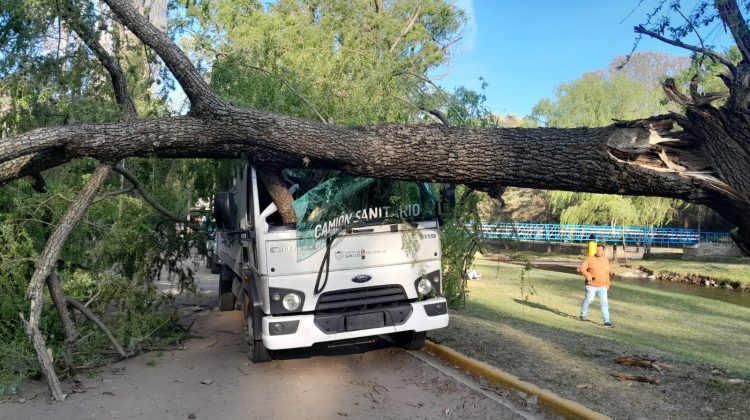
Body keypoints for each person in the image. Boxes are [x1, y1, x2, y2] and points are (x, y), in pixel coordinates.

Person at [578, 244, 614, 328]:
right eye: (597, 250)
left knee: (604, 303)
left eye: (600, 250)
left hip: (602, 287)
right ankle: (582, 315)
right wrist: (587, 275)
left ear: (603, 251)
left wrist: (608, 284)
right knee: (589, 300)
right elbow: (582, 268)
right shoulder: (590, 259)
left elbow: (607, 273)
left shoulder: (606, 260)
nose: (599, 252)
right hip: (591, 285)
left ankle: (606, 322)